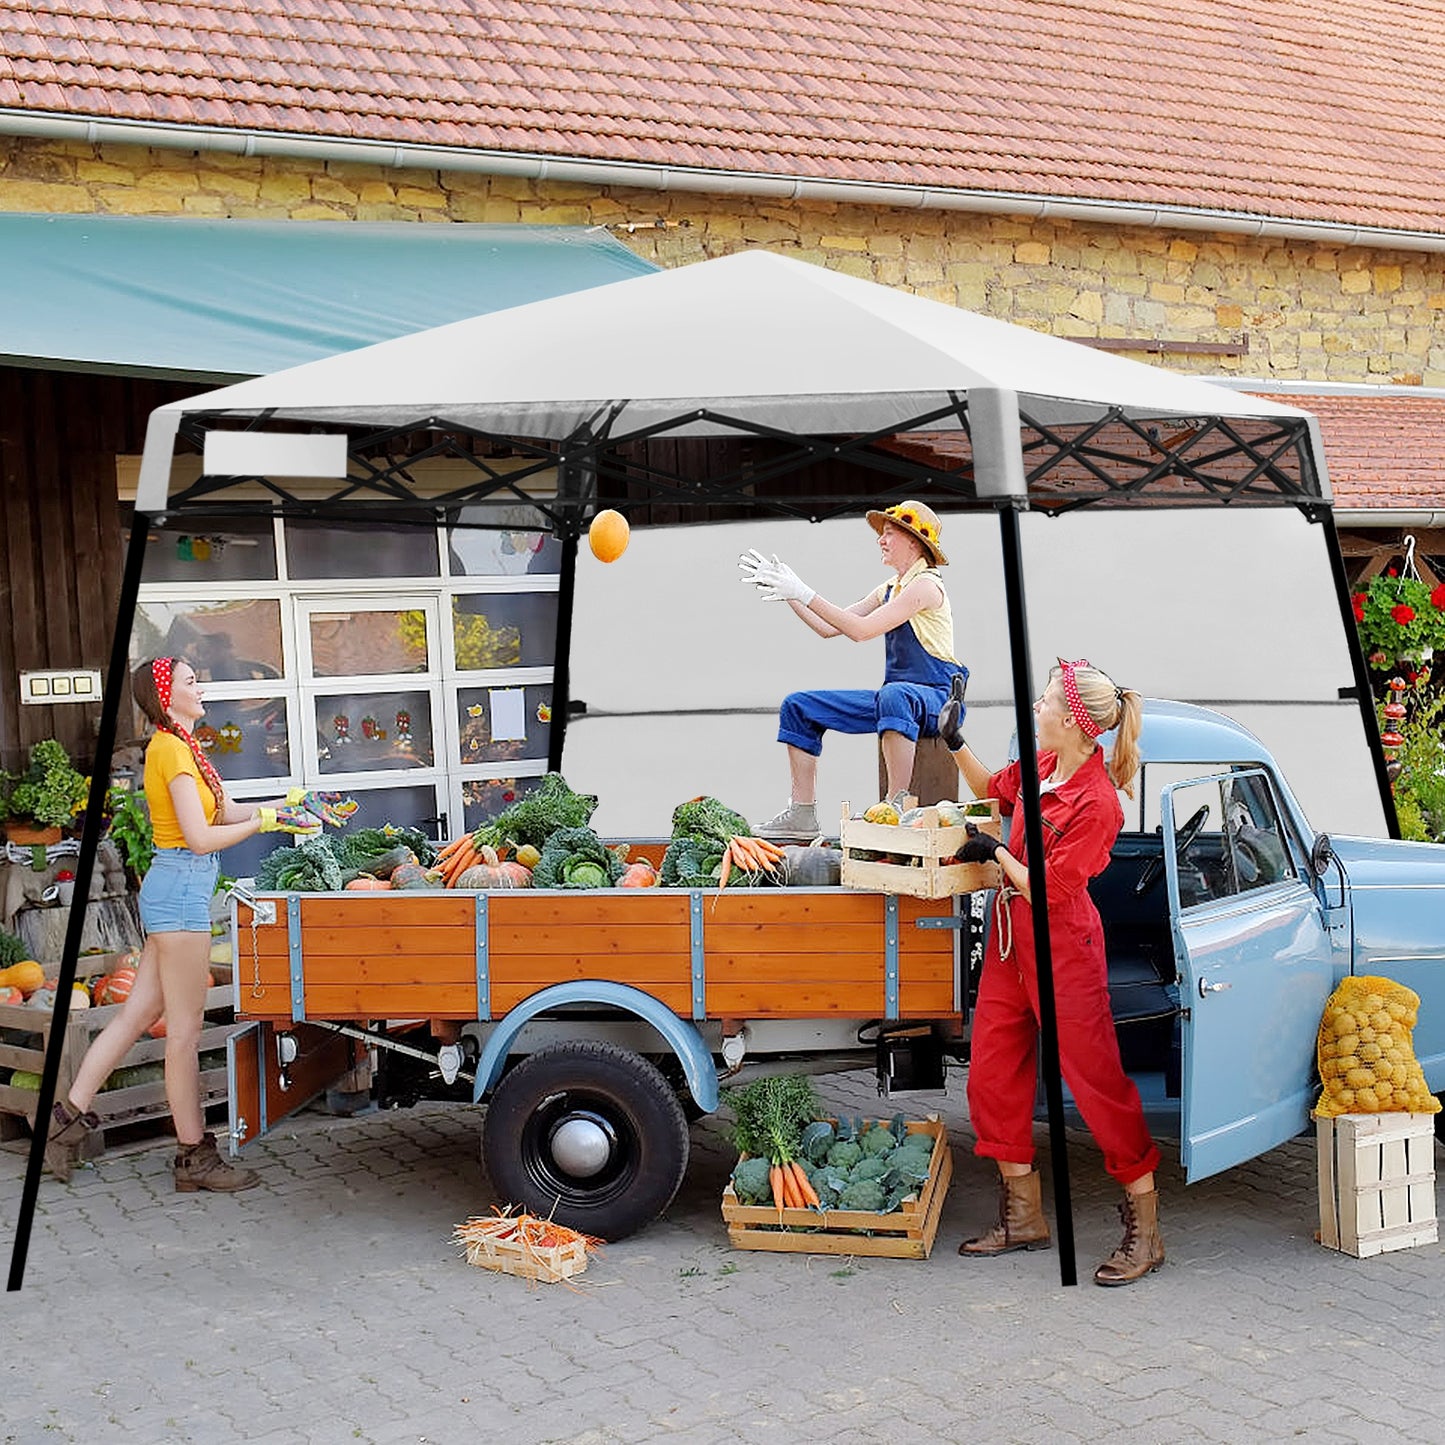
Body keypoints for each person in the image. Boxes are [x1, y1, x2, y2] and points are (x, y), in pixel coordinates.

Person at [44, 657, 354, 1192]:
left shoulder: (183, 747)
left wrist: (285, 806)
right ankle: (194, 1158)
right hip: (182, 894)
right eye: (191, 681)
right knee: (184, 1035)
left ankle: (63, 1121)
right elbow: (200, 837)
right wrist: (265, 823)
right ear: (167, 696)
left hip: (175, 889)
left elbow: (224, 812)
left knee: (134, 1015)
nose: (201, 685)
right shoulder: (170, 750)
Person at [940, 658, 1164, 1286]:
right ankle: (1022, 1218)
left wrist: (999, 852)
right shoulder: (1041, 769)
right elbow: (993, 789)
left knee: (1096, 1085)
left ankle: (1145, 1232)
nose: (1034, 709)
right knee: (990, 1075)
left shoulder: (1098, 805)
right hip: (1014, 944)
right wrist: (955, 741)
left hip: (1063, 945)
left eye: (1042, 703)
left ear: (1071, 720)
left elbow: (1052, 888)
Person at [739, 501, 968, 840]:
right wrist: (788, 593)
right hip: (900, 699)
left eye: (889, 534)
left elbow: (861, 632)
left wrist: (805, 591)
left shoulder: (926, 586)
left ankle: (896, 804)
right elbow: (829, 627)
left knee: (894, 696)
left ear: (914, 542)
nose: (881, 540)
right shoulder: (890, 588)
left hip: (938, 701)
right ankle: (801, 814)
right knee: (798, 705)